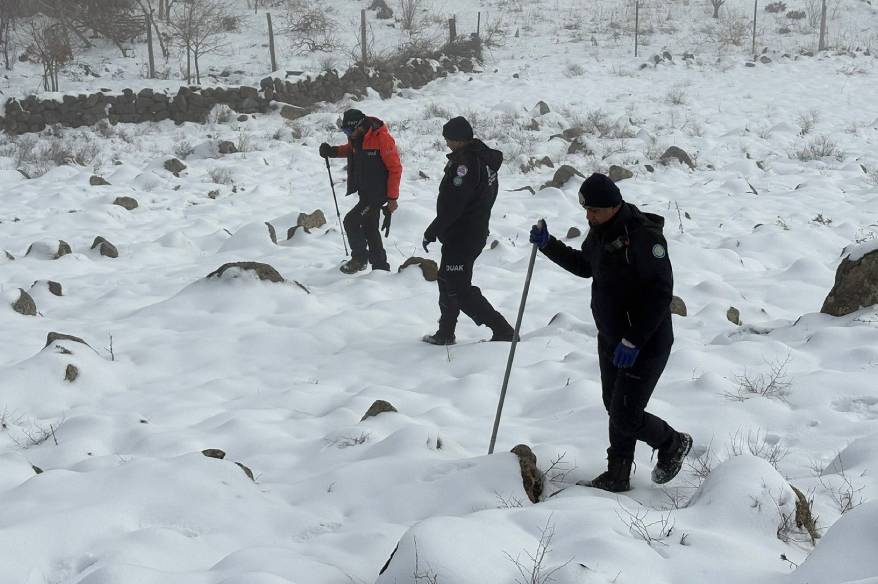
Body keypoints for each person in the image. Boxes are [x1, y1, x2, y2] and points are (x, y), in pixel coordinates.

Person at [529, 173, 692, 492]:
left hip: (645, 341)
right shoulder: (601, 232)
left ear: (614, 206)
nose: (588, 217)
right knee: (614, 405)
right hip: (612, 337)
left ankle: (673, 443)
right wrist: (549, 245)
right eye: (586, 210)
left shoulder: (644, 238)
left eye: (594, 210)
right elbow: (585, 266)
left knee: (626, 413)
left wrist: (634, 340)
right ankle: (617, 474)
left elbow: (661, 294)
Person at [421, 116, 515, 345]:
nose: (446, 143)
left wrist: (432, 230)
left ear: (458, 139)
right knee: (447, 280)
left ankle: (503, 331)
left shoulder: (466, 164)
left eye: (448, 139)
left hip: (463, 235)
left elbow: (454, 205)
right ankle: (445, 333)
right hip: (469, 231)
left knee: (459, 289)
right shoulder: (483, 158)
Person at [320, 109, 402, 273]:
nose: (348, 134)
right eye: (345, 131)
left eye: (348, 131)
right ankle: (380, 267)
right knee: (369, 227)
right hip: (365, 193)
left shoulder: (382, 139)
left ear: (359, 126)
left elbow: (395, 169)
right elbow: (349, 149)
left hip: (377, 195)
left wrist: (392, 198)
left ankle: (360, 259)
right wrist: (332, 151)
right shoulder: (357, 137)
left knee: (351, 221)